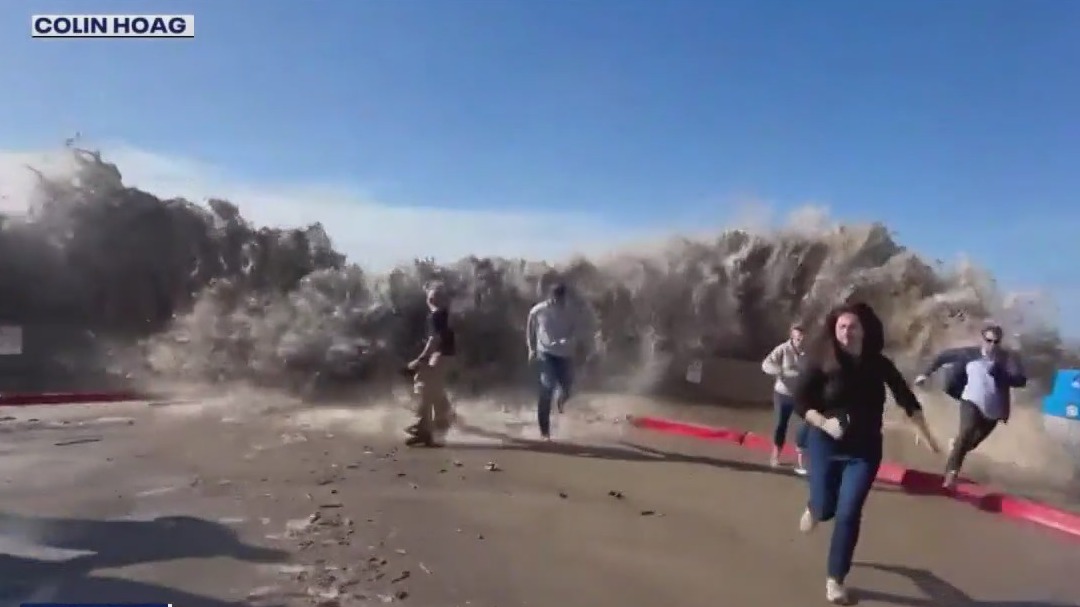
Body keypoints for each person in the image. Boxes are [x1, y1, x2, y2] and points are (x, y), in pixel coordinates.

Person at [793, 302, 941, 604]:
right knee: (826, 508)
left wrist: (926, 436)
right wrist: (823, 422)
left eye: (853, 326)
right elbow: (800, 401)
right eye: (842, 327)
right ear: (834, 331)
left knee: (848, 513)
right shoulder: (821, 361)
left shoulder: (878, 364)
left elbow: (905, 397)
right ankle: (815, 508)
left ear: (864, 329)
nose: (847, 332)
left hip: (864, 451)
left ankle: (835, 580)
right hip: (825, 443)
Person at [914, 324, 1027, 488]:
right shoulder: (969, 354)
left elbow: (1021, 380)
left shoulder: (1007, 359)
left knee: (970, 443)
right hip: (971, 401)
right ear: (983, 340)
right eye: (989, 341)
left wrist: (1001, 374)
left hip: (993, 411)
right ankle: (951, 475)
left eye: (996, 342)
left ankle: (957, 445)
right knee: (966, 431)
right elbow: (943, 357)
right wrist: (925, 374)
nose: (992, 345)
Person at [525, 282, 583, 440]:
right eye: (555, 298)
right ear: (550, 296)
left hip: (565, 355)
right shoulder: (539, 310)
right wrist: (531, 349)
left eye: (560, 298)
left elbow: (576, 331)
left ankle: (561, 401)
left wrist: (570, 341)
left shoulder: (571, 311)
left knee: (567, 389)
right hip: (546, 353)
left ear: (564, 297)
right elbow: (530, 327)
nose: (557, 301)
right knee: (546, 388)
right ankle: (545, 432)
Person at [404, 284, 456, 447]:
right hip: (446, 355)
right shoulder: (444, 315)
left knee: (424, 385)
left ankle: (425, 428)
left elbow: (436, 339)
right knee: (434, 390)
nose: (430, 299)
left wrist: (421, 359)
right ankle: (442, 421)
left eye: (432, 296)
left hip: (440, 355)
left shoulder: (436, 315)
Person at [761, 324, 810, 474]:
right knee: (780, 425)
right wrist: (781, 371)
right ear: (791, 337)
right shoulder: (782, 349)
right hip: (782, 394)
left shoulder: (809, 352)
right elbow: (766, 365)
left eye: (802, 338)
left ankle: (802, 460)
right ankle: (775, 455)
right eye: (796, 338)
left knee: (804, 426)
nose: (799, 341)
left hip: (801, 396)